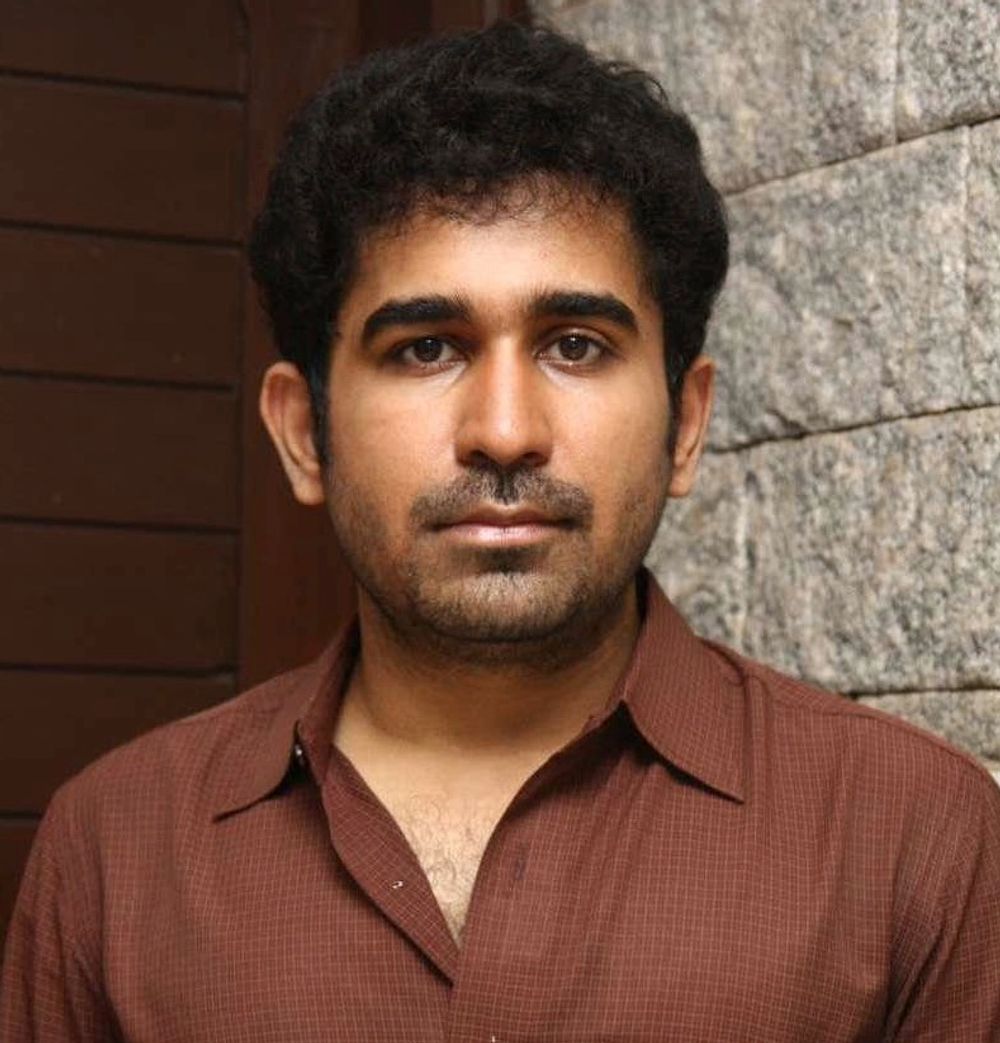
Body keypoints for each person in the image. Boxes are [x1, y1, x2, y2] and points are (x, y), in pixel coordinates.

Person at [3, 20, 998, 1043]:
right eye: (426, 347)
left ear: (686, 425)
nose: (506, 432)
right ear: (304, 434)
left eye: (576, 345)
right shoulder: (116, 852)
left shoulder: (911, 838)